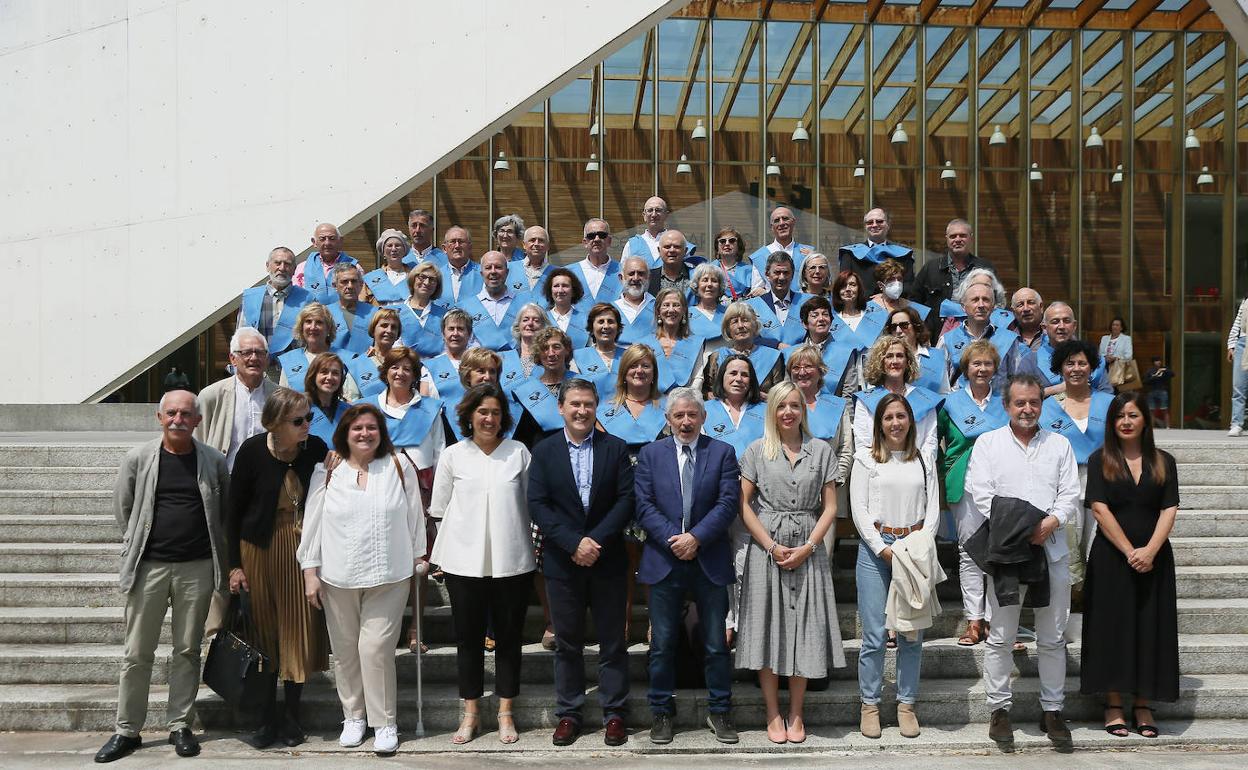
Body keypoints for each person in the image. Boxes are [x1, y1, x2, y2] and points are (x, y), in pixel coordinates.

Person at [95, 390, 230, 763]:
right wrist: (137, 542)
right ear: (159, 418)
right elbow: (124, 508)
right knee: (137, 653)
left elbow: (222, 513)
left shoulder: (213, 461)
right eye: (171, 413)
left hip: (197, 568)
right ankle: (127, 730)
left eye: (186, 414)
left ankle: (180, 724)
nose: (178, 419)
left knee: (187, 650)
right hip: (149, 567)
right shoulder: (139, 458)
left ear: (198, 421)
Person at [297, 403, 426, 756]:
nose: (365, 434)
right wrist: (311, 570)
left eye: (371, 427)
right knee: (345, 651)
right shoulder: (327, 470)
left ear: (381, 432)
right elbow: (313, 523)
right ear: (345, 434)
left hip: (390, 574)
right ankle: (353, 716)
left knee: (376, 650)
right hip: (338, 576)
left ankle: (384, 722)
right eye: (357, 428)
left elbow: (414, 513)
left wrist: (419, 555)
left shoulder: (398, 466)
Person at [965, 375, 1081, 746]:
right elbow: (981, 494)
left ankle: (1052, 710)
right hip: (1008, 553)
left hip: (1051, 549)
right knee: (1001, 635)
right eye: (1020, 403)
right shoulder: (988, 444)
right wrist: (1022, 527)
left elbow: (1070, 496)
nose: (1027, 409)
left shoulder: (1059, 445)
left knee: (1052, 635)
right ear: (1007, 405)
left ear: (1041, 405)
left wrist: (1047, 523)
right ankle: (999, 709)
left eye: (1034, 402)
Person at [527, 379, 635, 747]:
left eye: (588, 404)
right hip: (563, 560)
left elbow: (626, 500)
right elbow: (538, 504)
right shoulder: (543, 452)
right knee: (568, 643)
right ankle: (570, 713)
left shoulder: (616, 448)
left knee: (612, 642)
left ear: (596, 408)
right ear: (561, 408)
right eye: (574, 404)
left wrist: (595, 541)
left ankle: (615, 714)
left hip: (607, 559)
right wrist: (574, 543)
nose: (581, 411)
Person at [736, 382, 845, 744]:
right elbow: (744, 505)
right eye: (781, 406)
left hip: (808, 546)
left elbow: (830, 507)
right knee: (768, 628)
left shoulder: (821, 451)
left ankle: (797, 713)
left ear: (803, 411)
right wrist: (769, 545)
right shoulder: (756, 450)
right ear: (773, 412)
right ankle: (772, 712)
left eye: (795, 406)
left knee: (804, 629)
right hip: (768, 548)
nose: (788, 412)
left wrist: (810, 546)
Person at [634, 388, 741, 745]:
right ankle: (662, 712)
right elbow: (643, 505)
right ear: (668, 420)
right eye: (678, 416)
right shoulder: (650, 454)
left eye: (691, 415)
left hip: (708, 558)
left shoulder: (722, 453)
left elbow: (727, 504)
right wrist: (675, 540)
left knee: (715, 644)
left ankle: (720, 710)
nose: (685, 422)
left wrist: (696, 538)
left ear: (703, 418)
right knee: (662, 644)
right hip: (664, 560)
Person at [429, 384, 534, 745]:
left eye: (495, 412)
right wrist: (446, 553)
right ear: (469, 416)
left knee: (509, 639)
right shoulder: (454, 455)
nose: (489, 419)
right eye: (482, 412)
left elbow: (530, 505)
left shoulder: (518, 452)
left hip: (512, 561)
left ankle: (505, 712)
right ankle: (470, 713)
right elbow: (440, 509)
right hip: (463, 564)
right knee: (468, 640)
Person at [226, 388, 330, 748]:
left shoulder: (315, 448)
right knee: (264, 634)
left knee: (298, 630)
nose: (306, 426)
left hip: (299, 549)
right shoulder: (252, 451)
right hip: (258, 548)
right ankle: (265, 717)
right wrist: (234, 566)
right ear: (274, 423)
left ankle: (292, 716)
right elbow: (233, 512)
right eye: (298, 420)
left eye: (308, 419)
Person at [1081, 391, 1180, 737]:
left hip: (1155, 560)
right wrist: (1129, 551)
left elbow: (1170, 508)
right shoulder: (1099, 459)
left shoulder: (1164, 461)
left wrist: (1150, 550)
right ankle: (1112, 703)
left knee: (1150, 628)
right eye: (1120, 416)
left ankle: (1142, 704)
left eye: (1133, 415)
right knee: (1112, 629)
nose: (1126, 422)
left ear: (1145, 420)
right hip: (1112, 558)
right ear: (1111, 423)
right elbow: (1098, 508)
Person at [850, 393, 941, 739]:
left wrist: (919, 545)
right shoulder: (865, 459)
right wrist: (882, 549)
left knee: (911, 633)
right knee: (874, 635)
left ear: (910, 420)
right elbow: (859, 510)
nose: (895, 423)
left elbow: (932, 508)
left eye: (901, 416)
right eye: (888, 417)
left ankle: (906, 705)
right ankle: (870, 704)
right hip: (877, 552)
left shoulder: (924, 459)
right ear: (879, 423)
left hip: (914, 549)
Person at [937, 340, 1009, 646]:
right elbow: (935, 444)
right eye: (975, 364)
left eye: (987, 363)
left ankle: (997, 622)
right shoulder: (951, 403)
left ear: (995, 368)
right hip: (962, 483)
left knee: (997, 552)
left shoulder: (1004, 402)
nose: (981, 369)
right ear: (965, 369)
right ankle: (974, 622)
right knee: (969, 553)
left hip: (1001, 485)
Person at [1040, 338, 1114, 587]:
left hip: (1103, 484)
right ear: (1060, 368)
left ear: (1091, 367)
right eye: (1070, 363)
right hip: (1062, 487)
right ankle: (1070, 609)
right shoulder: (1048, 407)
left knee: (1099, 547)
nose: (1076, 368)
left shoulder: (1109, 403)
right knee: (1067, 551)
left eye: (1082, 363)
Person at [704, 354, 766, 648]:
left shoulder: (765, 411)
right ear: (722, 378)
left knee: (744, 563)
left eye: (744, 374)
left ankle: (742, 622)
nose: (739, 378)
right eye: (733, 373)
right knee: (719, 561)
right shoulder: (705, 410)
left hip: (753, 500)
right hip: (714, 498)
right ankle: (724, 621)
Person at [938, 277, 1039, 391]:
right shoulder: (947, 340)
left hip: (997, 406)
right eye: (975, 300)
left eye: (986, 300)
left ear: (993, 306)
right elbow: (940, 386)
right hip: (959, 407)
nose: (981, 305)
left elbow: (1018, 382)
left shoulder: (1009, 340)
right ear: (963, 307)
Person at [196, 327, 277, 470]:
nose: (254, 358)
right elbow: (197, 442)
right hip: (224, 478)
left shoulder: (279, 396)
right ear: (233, 359)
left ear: (267, 359)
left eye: (259, 352)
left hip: (266, 479)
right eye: (246, 352)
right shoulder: (211, 396)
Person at [853, 336, 940, 458]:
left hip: (916, 468)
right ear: (880, 362)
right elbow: (862, 444)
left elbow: (930, 444)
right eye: (889, 356)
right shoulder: (865, 401)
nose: (895, 361)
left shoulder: (926, 399)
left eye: (900, 356)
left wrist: (918, 469)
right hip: (878, 469)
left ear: (907, 361)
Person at [911, 219, 995, 339]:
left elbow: (998, 303)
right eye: (953, 236)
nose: (957, 239)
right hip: (937, 337)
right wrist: (922, 332)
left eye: (962, 235)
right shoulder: (931, 268)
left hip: (979, 336)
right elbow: (915, 303)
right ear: (947, 239)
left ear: (971, 238)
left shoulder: (985, 268)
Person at [694, 302, 784, 399]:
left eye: (745, 320)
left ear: (755, 325)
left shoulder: (772, 356)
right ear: (728, 330)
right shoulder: (716, 357)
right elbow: (706, 391)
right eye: (735, 321)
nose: (740, 326)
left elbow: (780, 396)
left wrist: (763, 398)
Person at [277, 303, 361, 401]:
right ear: (301, 328)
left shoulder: (347, 359)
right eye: (308, 322)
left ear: (328, 329)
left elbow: (352, 399)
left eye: (319, 322)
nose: (313, 327)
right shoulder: (290, 360)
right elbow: (283, 401)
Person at [238, 247, 311, 356]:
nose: (282, 268)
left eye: (287, 264)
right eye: (277, 263)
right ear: (267, 266)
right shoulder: (250, 297)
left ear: (294, 269)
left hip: (294, 367)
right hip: (257, 365)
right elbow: (240, 337)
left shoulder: (307, 298)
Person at [513, 327, 577, 446]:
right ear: (538, 354)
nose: (551, 353)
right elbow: (523, 434)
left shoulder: (583, 383)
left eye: (556, 347)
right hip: (540, 453)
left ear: (567, 350)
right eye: (544, 348)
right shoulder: (528, 390)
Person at [838, 207, 915, 300]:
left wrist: (885, 297)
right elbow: (845, 284)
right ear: (865, 227)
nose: (874, 225)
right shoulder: (850, 254)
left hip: (894, 307)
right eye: (869, 222)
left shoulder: (903, 254)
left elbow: (908, 286)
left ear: (888, 225)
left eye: (879, 221)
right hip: (861, 306)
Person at [635, 288, 704, 392]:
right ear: (658, 311)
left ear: (684, 310)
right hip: (651, 402)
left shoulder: (695, 343)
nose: (671, 310)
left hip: (684, 402)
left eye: (676, 305)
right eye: (666, 305)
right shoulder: (643, 344)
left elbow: (697, 379)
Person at [1036, 301, 1113, 395]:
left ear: (1074, 326)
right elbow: (1023, 395)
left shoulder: (1092, 357)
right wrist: (1057, 389)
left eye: (1066, 321)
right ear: (1044, 327)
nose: (1061, 326)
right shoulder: (1032, 360)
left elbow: (1107, 395)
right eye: (1055, 322)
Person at [458, 250, 529, 351]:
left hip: (516, 364)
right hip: (478, 364)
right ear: (481, 273)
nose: (493, 271)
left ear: (507, 272)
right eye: (488, 268)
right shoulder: (465, 308)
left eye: (498, 267)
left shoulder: (524, 306)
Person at [747, 252, 810, 346]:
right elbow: (748, 337)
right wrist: (776, 345)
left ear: (792, 275)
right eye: (777, 272)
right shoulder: (752, 306)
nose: (781, 277)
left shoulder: (808, 302)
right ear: (767, 275)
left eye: (786, 273)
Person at [749, 205, 813, 292]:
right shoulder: (759, 256)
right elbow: (757, 290)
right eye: (777, 220)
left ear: (793, 222)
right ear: (772, 227)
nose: (781, 223)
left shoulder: (808, 253)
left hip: (802, 304)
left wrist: (814, 258)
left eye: (785, 218)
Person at [293, 223, 358, 305]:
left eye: (332, 238)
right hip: (311, 315)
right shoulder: (302, 267)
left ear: (340, 241)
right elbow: (295, 297)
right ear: (314, 242)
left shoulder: (354, 267)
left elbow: (361, 296)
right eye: (322, 239)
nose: (327, 243)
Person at [567, 218, 623, 311]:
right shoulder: (569, 273)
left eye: (602, 235)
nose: (596, 239)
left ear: (609, 241)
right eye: (591, 236)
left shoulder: (624, 271)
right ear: (585, 242)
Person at [344, 309, 402, 399]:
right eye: (384, 325)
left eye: (394, 327)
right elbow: (351, 401)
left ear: (398, 334)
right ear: (373, 329)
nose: (389, 330)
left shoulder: (404, 363)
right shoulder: (357, 365)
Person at [623, 196, 697, 267]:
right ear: (644, 216)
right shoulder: (631, 245)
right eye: (650, 210)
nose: (654, 214)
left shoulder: (678, 241)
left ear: (666, 215)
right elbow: (623, 274)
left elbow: (688, 274)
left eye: (658, 210)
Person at [888, 306, 948, 394]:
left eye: (904, 325)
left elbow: (944, 393)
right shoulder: (883, 357)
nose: (898, 331)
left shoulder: (937, 357)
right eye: (893, 327)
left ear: (916, 327)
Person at [573, 303, 626, 401]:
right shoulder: (577, 357)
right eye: (601, 322)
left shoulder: (628, 356)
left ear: (618, 328)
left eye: (610, 321)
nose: (606, 326)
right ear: (591, 328)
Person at [395, 261, 448, 358]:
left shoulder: (445, 316)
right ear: (413, 279)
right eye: (422, 277)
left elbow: (447, 349)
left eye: (432, 280)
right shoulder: (396, 312)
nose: (427, 282)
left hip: (434, 369)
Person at [421, 309, 474, 403]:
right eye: (451, 329)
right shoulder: (430, 367)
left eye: (460, 329)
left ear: (469, 334)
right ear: (443, 334)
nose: (455, 333)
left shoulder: (478, 364)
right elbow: (425, 402)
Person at [326, 263, 379, 356]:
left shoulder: (375, 313)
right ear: (335, 286)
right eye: (344, 281)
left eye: (354, 281)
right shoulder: (324, 313)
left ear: (361, 285)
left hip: (365, 367)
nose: (350, 286)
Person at [499, 302, 550, 393]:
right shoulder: (502, 358)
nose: (530, 323)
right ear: (518, 326)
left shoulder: (550, 359)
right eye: (525, 320)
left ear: (544, 327)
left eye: (536, 320)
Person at [304, 352, 351, 446]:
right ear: (313, 375)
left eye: (335, 373)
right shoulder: (300, 408)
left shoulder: (349, 411)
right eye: (324, 372)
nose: (329, 377)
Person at [866, 258, 929, 323]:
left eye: (899, 279)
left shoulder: (914, 308)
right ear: (880, 285)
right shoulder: (869, 309)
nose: (896, 283)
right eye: (891, 279)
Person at [710, 226, 764, 301]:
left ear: (739, 246)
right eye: (722, 241)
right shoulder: (709, 269)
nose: (727, 244)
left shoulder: (751, 270)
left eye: (732, 241)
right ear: (717, 248)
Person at [543, 267, 590, 348]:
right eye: (556, 286)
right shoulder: (542, 319)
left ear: (573, 291)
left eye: (565, 286)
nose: (560, 290)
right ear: (550, 291)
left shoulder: (586, 319)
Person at [362, 229, 412, 305]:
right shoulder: (371, 279)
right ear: (383, 252)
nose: (394, 249)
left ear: (404, 250)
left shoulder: (415, 276)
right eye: (389, 245)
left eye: (398, 245)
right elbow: (362, 305)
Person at [614, 256, 656, 344]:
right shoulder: (610, 310)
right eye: (631, 273)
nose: (636, 278)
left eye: (641, 274)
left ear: (648, 278)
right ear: (621, 278)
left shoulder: (659, 307)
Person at [438, 226, 483, 304]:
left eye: (461, 241)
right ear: (444, 249)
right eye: (452, 242)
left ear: (470, 247)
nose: (457, 246)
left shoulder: (482, 273)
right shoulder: (437, 275)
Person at [647, 229, 696, 298]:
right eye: (667, 247)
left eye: (677, 247)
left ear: (685, 251)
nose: (672, 250)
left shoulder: (696, 277)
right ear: (659, 251)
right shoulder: (648, 279)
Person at [509, 225, 556, 295]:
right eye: (532, 240)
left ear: (548, 246)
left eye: (541, 240)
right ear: (524, 245)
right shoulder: (509, 269)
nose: (536, 244)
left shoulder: (556, 273)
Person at [689, 262, 729, 340]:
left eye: (714, 281)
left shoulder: (728, 313)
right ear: (697, 285)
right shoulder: (686, 314)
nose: (709, 284)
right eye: (705, 280)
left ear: (720, 286)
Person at [1227, 291, 1248, 435]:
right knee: (1239, 385)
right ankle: (1236, 424)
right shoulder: (1246, 299)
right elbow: (1237, 323)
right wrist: (1231, 344)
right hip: (1243, 342)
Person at [1009, 287, 1046, 352]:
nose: (1026, 309)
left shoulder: (1052, 335)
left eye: (1031, 303)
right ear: (1013, 312)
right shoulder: (1005, 338)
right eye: (1020, 305)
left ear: (1041, 307)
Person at [1099, 317, 1134, 383]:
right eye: (1113, 325)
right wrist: (1105, 357)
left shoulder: (1126, 339)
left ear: (1121, 328)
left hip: (1119, 370)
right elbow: (1100, 354)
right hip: (1105, 368)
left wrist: (1115, 358)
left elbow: (1129, 356)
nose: (1114, 327)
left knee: (1117, 389)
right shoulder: (1104, 338)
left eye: (1117, 325)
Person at [1144, 356, 1175, 428]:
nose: (1158, 362)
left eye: (1159, 360)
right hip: (1152, 391)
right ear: (1153, 362)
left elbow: (1173, 374)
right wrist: (1154, 376)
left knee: (1165, 409)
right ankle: (1152, 427)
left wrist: (1165, 370)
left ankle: (1168, 427)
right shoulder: (1150, 371)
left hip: (1162, 391)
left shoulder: (1164, 369)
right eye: (1156, 361)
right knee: (1151, 410)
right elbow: (1145, 381)